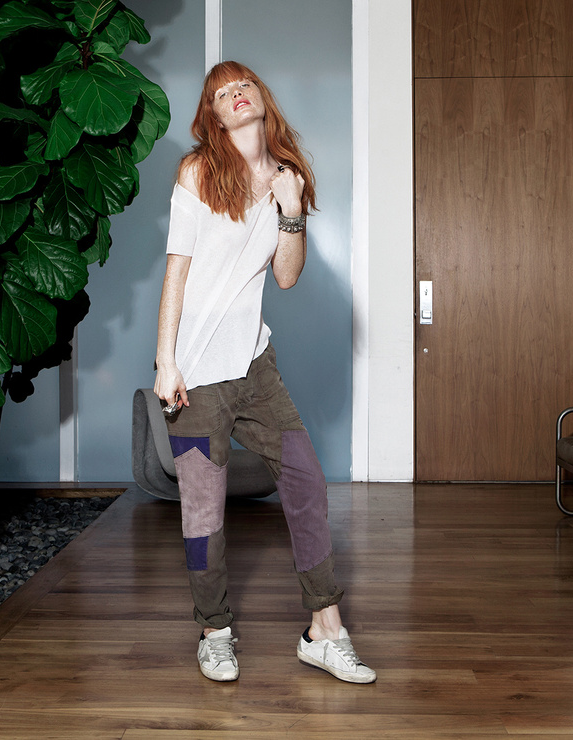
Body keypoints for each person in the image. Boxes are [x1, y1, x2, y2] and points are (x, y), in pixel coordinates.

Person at [153, 61, 375, 685]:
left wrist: (292, 208)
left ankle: (324, 630)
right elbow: (177, 268)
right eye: (221, 93)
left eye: (242, 84)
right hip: (196, 372)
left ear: (260, 97)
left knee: (306, 480)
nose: (235, 94)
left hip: (254, 364)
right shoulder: (197, 173)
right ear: (213, 115)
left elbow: (286, 274)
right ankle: (214, 631)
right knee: (203, 515)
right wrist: (166, 360)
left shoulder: (287, 177)